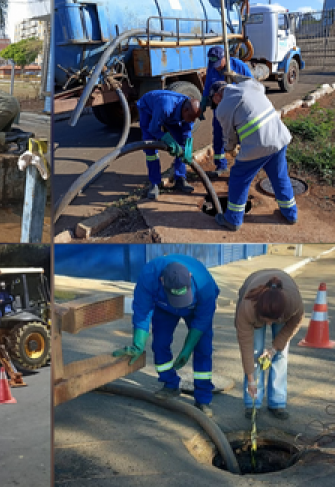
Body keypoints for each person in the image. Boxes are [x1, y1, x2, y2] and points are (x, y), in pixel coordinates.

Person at [113, 255, 220, 417]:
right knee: (160, 344)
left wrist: (187, 348)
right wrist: (138, 344)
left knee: (203, 349)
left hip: (195, 308)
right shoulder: (149, 276)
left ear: (189, 277)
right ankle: (170, 384)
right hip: (164, 307)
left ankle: (203, 398)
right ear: (162, 281)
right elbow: (142, 311)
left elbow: (203, 320)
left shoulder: (205, 284)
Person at [211, 78, 297, 230]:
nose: (215, 104)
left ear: (217, 96)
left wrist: (230, 148)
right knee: (279, 175)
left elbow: (229, 136)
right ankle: (290, 214)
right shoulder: (250, 84)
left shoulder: (222, 108)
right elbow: (259, 92)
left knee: (239, 177)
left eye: (214, 101)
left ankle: (233, 219)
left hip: (258, 145)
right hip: (279, 137)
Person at [234, 270, 305, 420]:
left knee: (281, 353)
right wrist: (251, 380)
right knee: (255, 352)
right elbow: (245, 346)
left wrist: (274, 349)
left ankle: (277, 402)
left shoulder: (294, 304)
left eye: (271, 321)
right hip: (253, 305)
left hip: (282, 310)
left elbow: (292, 326)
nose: (269, 324)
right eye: (266, 320)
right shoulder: (248, 307)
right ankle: (253, 402)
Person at [136, 90, 205, 199]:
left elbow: (186, 131)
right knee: (151, 147)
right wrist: (168, 140)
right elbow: (153, 129)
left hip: (170, 115)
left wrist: (187, 147)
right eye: (191, 117)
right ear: (185, 110)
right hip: (148, 109)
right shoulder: (165, 106)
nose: (192, 120)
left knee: (181, 143)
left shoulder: (191, 112)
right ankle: (155, 183)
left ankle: (180, 178)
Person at [202, 46, 254, 175]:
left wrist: (236, 78)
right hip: (219, 110)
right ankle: (221, 166)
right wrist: (203, 103)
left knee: (241, 137)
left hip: (237, 111)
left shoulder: (238, 66)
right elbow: (208, 86)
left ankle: (243, 166)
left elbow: (252, 84)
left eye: (219, 63)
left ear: (225, 58)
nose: (217, 67)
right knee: (218, 137)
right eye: (214, 64)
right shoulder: (212, 67)